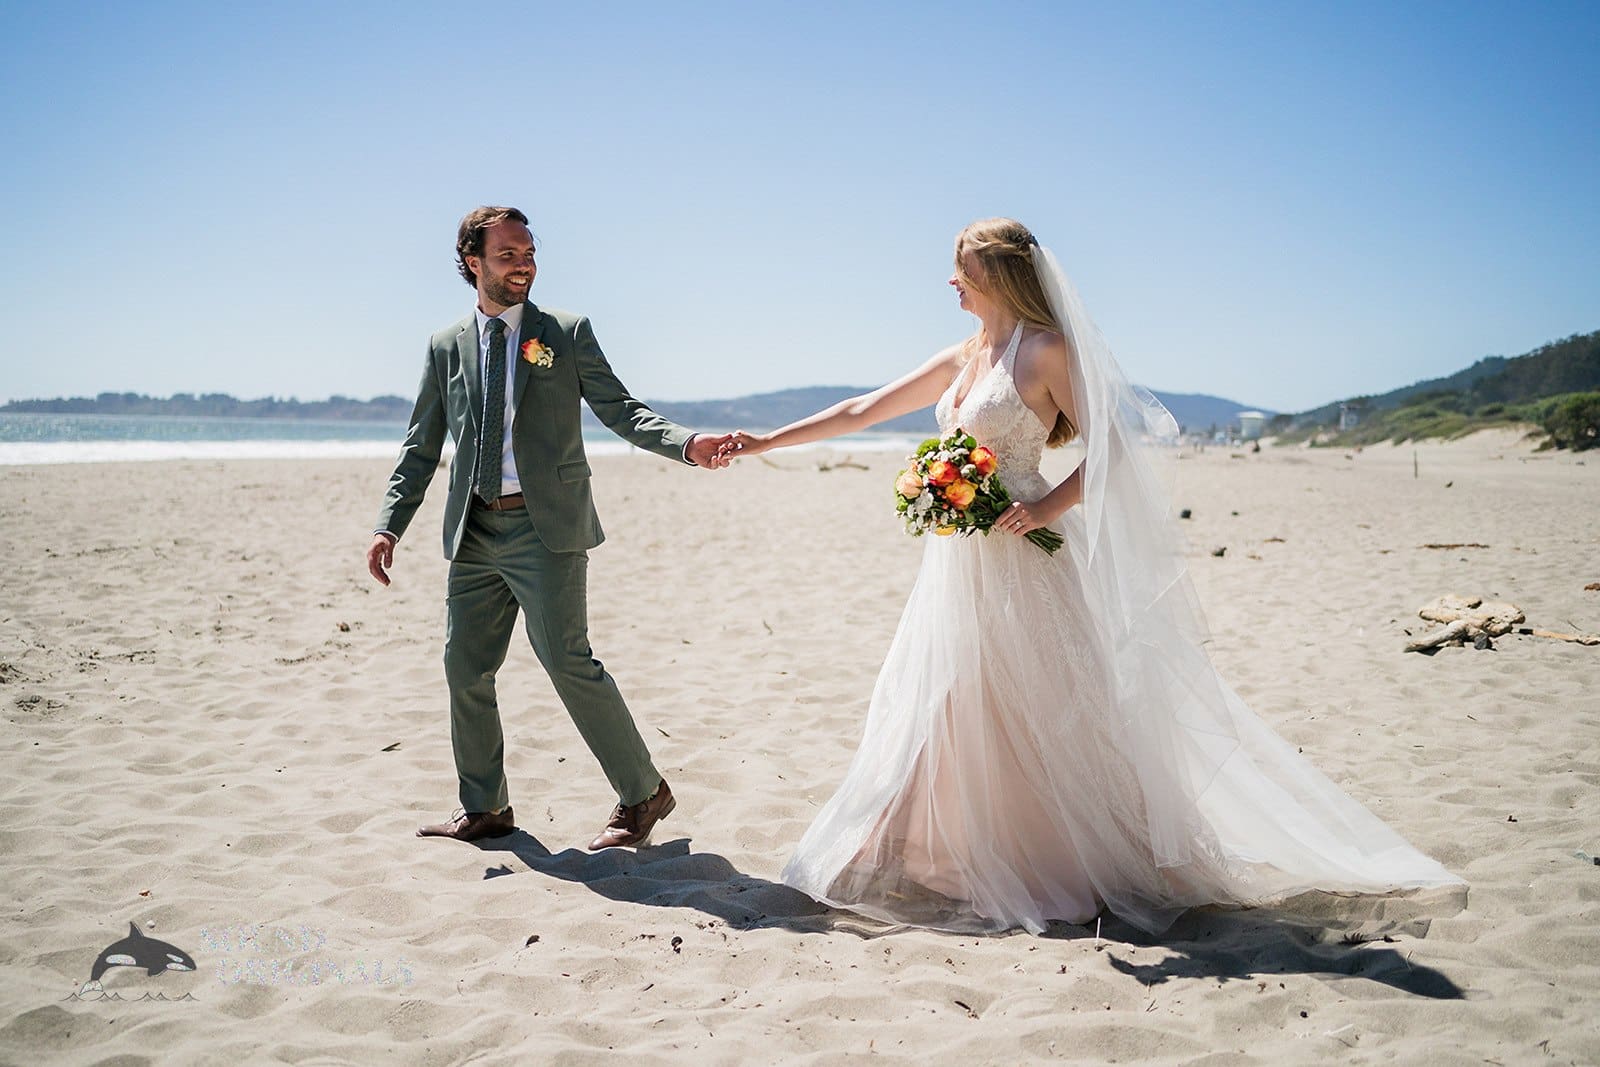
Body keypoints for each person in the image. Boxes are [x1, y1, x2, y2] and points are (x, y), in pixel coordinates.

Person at [723, 218, 1463, 935]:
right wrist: (765, 441)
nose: (951, 280)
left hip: (1025, 555)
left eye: (963, 268)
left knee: (1036, 705)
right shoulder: (962, 356)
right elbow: (862, 409)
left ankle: (1057, 863)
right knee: (946, 699)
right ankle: (922, 851)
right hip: (959, 563)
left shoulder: (1044, 351)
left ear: (1001, 273)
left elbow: (1113, 447)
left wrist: (1046, 504)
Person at [368, 206, 732, 850]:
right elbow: (421, 445)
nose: (523, 264)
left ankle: (644, 794)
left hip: (547, 529)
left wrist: (687, 443)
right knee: (464, 667)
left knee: (568, 660)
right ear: (473, 262)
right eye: (507, 254)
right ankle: (485, 807)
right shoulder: (445, 344)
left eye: (529, 252)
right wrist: (389, 525)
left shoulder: (563, 332)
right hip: (475, 532)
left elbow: (621, 409)